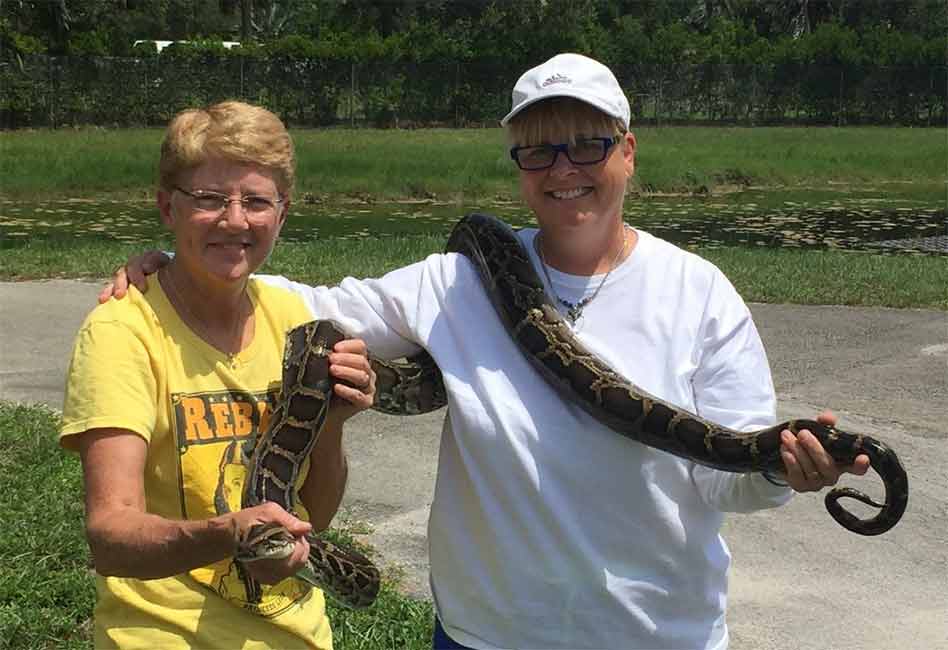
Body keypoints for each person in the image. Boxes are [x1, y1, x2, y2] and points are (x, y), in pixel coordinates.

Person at [104, 55, 870, 650]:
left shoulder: (699, 294)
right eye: (537, 154)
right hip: (486, 634)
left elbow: (729, 477)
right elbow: (299, 306)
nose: (563, 171)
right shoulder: (455, 281)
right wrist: (171, 267)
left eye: (588, 146)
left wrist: (779, 468)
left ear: (629, 153)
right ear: (517, 166)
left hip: (655, 633)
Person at [61, 100, 378, 650]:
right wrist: (231, 534)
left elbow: (315, 518)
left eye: (256, 201)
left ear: (282, 213)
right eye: (209, 199)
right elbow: (110, 536)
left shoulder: (297, 325)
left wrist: (331, 422)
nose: (235, 220)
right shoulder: (122, 331)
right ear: (167, 207)